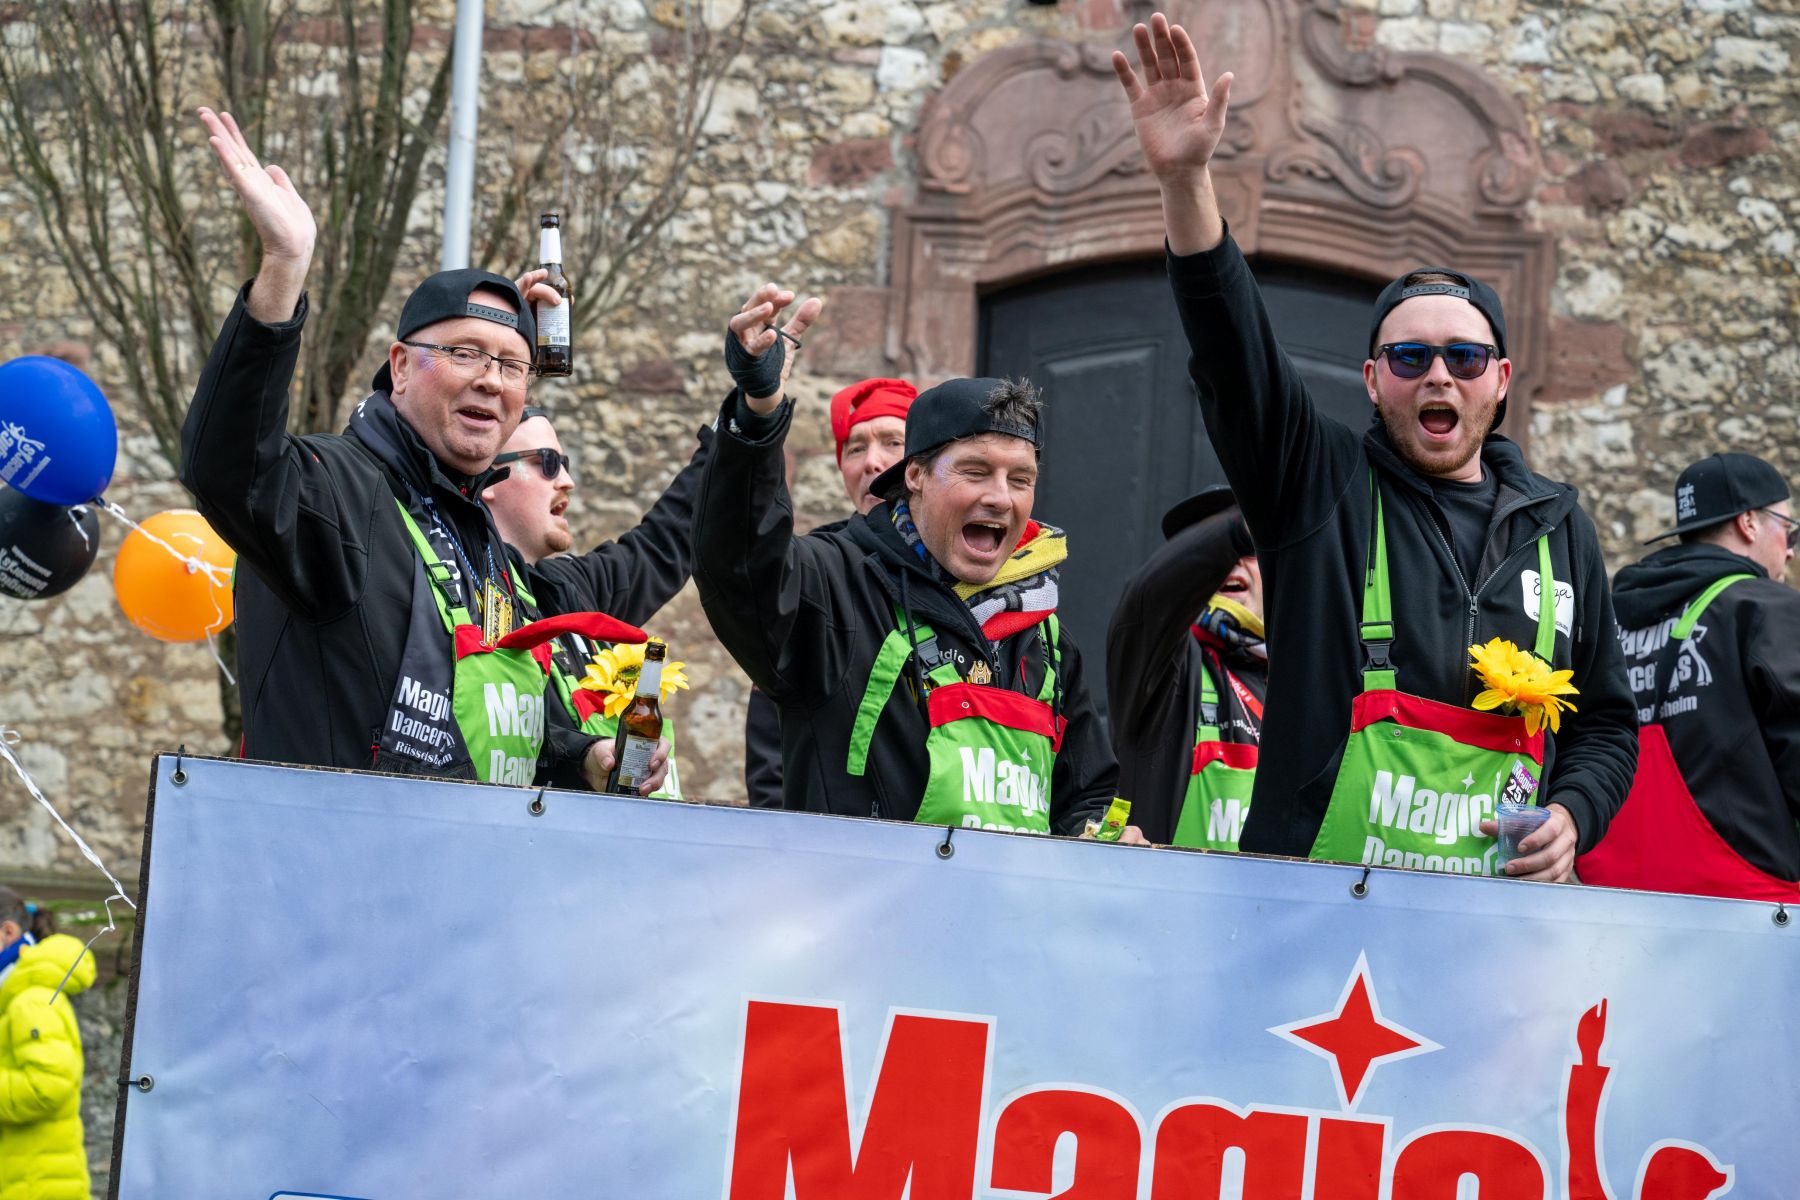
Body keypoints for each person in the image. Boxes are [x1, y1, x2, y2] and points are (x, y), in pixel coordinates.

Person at [1112, 15, 1636, 880]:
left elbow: (1607, 725)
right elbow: (1234, 355)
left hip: (1493, 916)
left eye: (1464, 358)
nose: (1439, 376)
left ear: (1501, 379)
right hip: (1315, 911)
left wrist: (1574, 816)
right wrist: (1185, 181)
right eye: (1410, 357)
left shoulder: (1560, 529)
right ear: (1371, 378)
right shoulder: (1318, 485)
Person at [180, 107, 659, 791]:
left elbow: (503, 733)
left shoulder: (485, 543)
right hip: (332, 851)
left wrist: (583, 756)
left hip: (467, 855)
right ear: (400, 367)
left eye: (511, 365)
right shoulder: (338, 489)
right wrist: (284, 269)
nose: (491, 380)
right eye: (463, 353)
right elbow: (229, 468)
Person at [694, 285, 1141, 839]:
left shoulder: (1043, 634)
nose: (1001, 498)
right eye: (975, 471)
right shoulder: (835, 587)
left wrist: (1100, 835)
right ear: (915, 476)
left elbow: (1084, 795)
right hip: (864, 897)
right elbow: (739, 568)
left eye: (1020, 479)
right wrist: (757, 416)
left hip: (1010, 900)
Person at [1580, 453, 1800, 899]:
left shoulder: (1607, 618)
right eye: (1789, 530)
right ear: (1749, 523)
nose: (1791, 549)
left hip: (1614, 900)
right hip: (1751, 906)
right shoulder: (1765, 609)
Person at [482, 405, 707, 797]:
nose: (567, 481)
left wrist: (743, 418)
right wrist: (583, 756)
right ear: (488, 477)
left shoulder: (570, 585)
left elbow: (665, 540)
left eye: (564, 463)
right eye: (547, 463)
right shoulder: (467, 596)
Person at [743, 378, 917, 808]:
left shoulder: (967, 569)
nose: (872, 462)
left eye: (893, 443)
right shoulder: (811, 573)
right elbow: (772, 745)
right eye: (855, 449)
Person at [1106, 485, 1267, 847]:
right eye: (1205, 550)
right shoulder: (1166, 667)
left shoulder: (1304, 683)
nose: (1229, 560)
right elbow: (1148, 603)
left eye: (1251, 549)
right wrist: (1233, 533)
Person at [0, 887, 94, 1200]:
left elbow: (46, 1087)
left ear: (7, 932)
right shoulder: (15, 996)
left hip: (38, 1186)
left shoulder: (32, 1001)